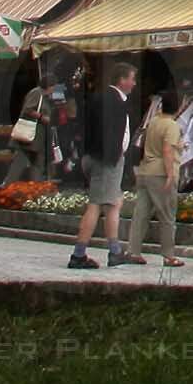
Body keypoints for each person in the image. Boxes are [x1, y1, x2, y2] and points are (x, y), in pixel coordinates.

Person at [68, 57, 144, 272]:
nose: (135, 83)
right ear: (122, 80)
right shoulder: (115, 102)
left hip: (95, 156)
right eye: (132, 79)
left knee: (113, 203)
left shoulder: (99, 98)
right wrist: (113, 157)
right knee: (96, 204)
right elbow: (112, 134)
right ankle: (78, 254)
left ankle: (115, 251)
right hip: (106, 160)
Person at [125, 87, 189, 268]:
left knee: (141, 214)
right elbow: (167, 150)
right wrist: (170, 174)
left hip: (145, 170)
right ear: (178, 106)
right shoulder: (172, 125)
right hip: (161, 172)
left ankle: (133, 251)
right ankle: (169, 256)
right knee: (167, 216)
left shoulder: (153, 121)